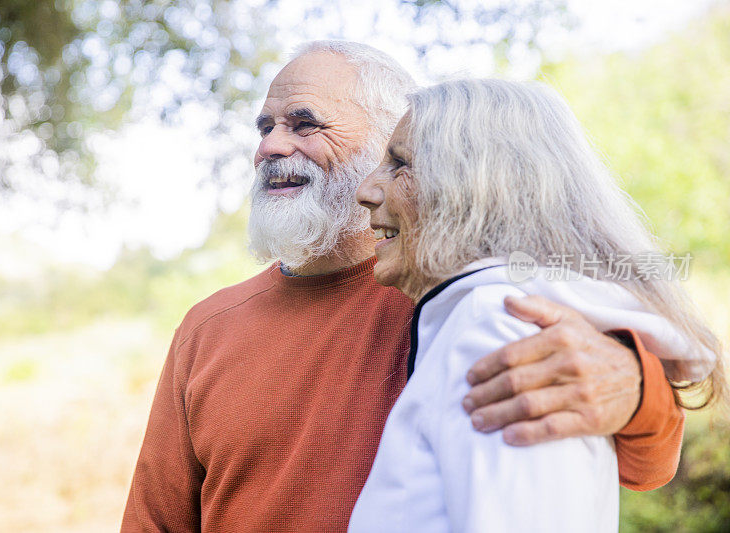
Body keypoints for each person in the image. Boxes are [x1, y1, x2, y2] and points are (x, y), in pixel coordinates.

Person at [121, 42, 686, 533]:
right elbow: (156, 521)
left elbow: (648, 466)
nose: (270, 147)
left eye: (304, 123)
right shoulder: (209, 326)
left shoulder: (470, 299)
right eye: (265, 128)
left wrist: (636, 388)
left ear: (393, 138)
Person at [350, 79, 724, 532]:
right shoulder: (479, 316)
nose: (366, 190)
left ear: (477, 188)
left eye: (399, 163)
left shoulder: (497, 328)